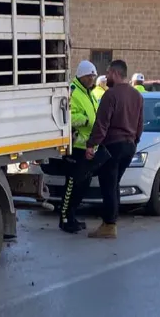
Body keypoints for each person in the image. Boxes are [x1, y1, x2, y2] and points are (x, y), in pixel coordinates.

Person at [85, 59, 144, 239]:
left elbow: (102, 124)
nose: (107, 76)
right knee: (114, 184)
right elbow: (140, 124)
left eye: (109, 73)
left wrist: (91, 145)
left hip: (113, 146)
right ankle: (110, 222)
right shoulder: (137, 96)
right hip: (129, 146)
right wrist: (135, 141)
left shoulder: (110, 95)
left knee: (108, 185)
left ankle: (109, 225)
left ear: (116, 73)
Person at [59, 60, 99, 233]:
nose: (93, 79)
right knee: (72, 184)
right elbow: (68, 117)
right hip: (76, 146)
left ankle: (72, 215)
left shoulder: (88, 92)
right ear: (82, 75)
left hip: (87, 146)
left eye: (94, 76)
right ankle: (65, 218)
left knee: (83, 184)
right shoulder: (73, 92)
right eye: (90, 76)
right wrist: (87, 120)